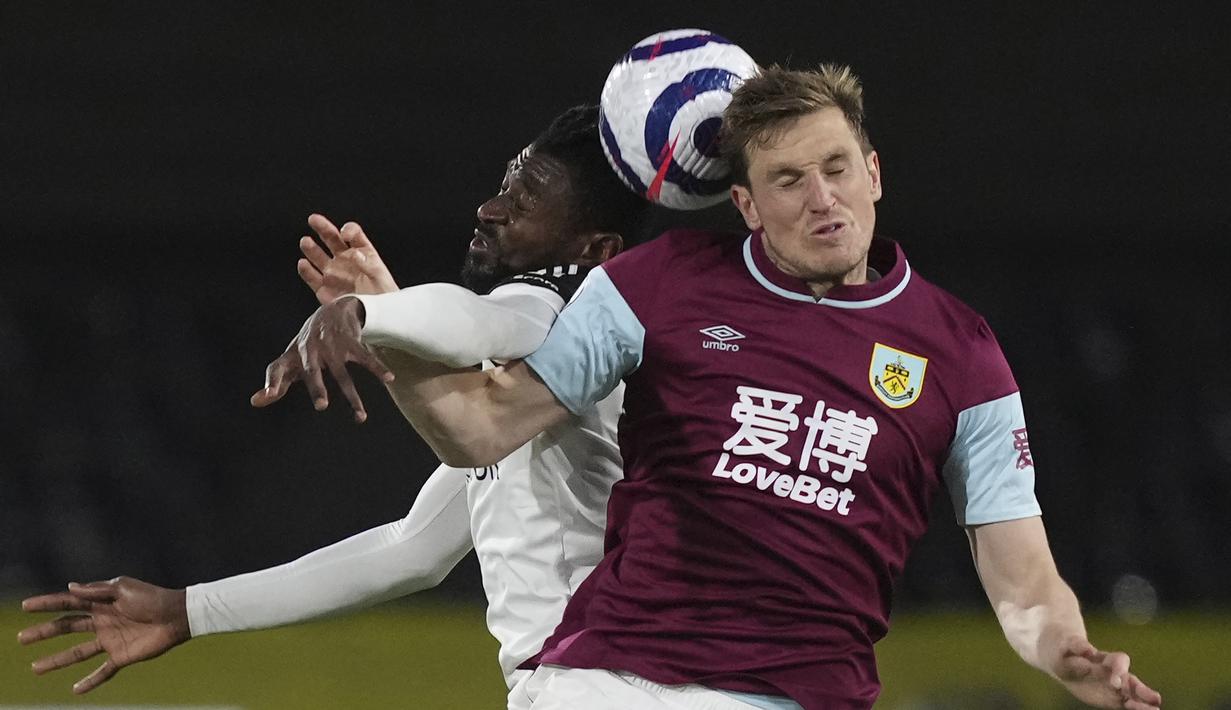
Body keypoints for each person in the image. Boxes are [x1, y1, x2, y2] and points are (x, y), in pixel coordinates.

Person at [333, 65, 1163, 710]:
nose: (822, 198)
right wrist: (387, 326)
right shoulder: (656, 282)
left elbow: (1021, 581)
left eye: (837, 168)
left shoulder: (961, 353)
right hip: (615, 682)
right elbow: (483, 428)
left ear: (873, 172)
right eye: (788, 180)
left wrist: (1063, 650)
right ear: (746, 203)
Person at [18, 104, 650, 710]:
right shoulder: (537, 396)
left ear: (595, 249)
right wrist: (187, 610)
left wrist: (368, 313)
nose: (491, 208)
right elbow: (410, 549)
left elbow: (479, 318)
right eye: (506, 184)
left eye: (526, 201)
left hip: (597, 686)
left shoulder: (563, 314)